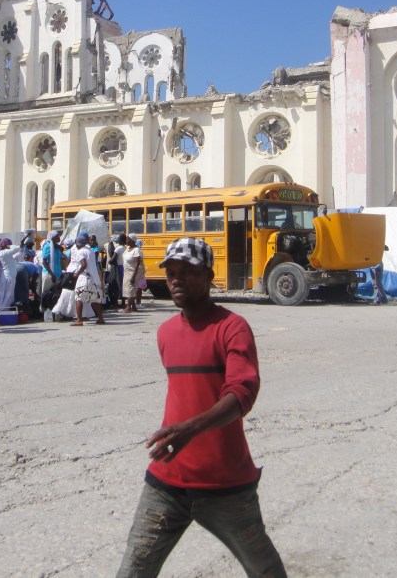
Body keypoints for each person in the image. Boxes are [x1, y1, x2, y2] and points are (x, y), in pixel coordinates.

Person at [117, 237, 287, 578]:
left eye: (188, 272)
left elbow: (242, 392)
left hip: (225, 483)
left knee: (264, 569)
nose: (177, 279)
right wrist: (180, 433)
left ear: (209, 275)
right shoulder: (166, 333)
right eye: (172, 273)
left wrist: (190, 429)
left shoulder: (231, 328)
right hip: (166, 481)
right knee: (134, 569)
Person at [70, 232, 105, 326]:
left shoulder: (80, 251)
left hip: (85, 277)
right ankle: (101, 318)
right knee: (94, 299)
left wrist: (77, 274)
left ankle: (79, 320)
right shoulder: (90, 251)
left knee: (78, 297)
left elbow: (84, 264)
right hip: (94, 278)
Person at [0, 238, 23, 311]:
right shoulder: (5, 252)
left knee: (3, 296)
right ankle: (4, 311)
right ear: (5, 245)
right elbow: (17, 249)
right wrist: (22, 243)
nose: (10, 246)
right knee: (8, 296)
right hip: (9, 277)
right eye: (8, 245)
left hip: (5, 276)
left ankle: (0, 311)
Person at [121, 233, 144, 313]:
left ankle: (128, 307)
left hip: (133, 272)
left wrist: (133, 276)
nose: (126, 241)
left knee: (130, 288)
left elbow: (137, 264)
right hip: (127, 272)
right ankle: (133, 306)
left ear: (133, 241)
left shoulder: (136, 250)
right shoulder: (128, 249)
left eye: (128, 239)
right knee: (127, 288)